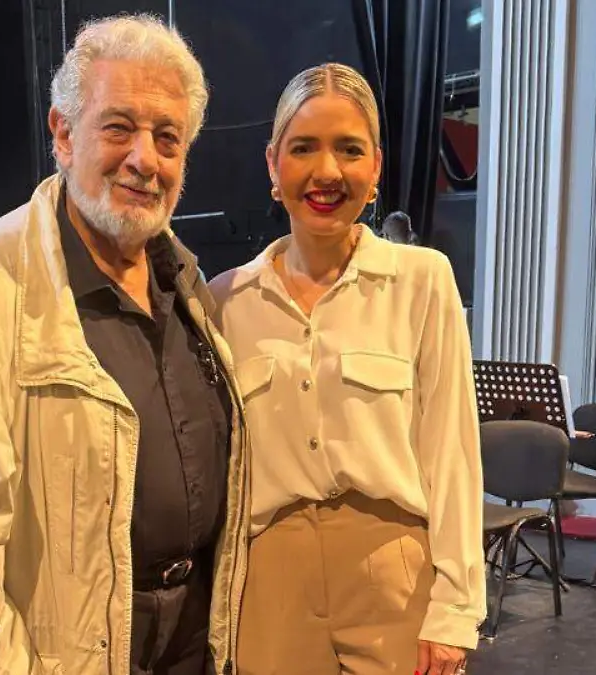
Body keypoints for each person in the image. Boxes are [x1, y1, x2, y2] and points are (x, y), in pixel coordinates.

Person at [0, 14, 248, 675]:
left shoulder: (187, 283)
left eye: (167, 138)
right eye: (119, 127)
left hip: (194, 640)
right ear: (62, 133)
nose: (145, 159)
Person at [208, 63, 485, 675]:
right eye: (303, 147)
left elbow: (453, 452)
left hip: (395, 574)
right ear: (273, 164)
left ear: (376, 167)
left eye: (349, 149)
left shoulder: (423, 281)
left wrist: (455, 608)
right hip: (270, 581)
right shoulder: (225, 300)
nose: (327, 171)